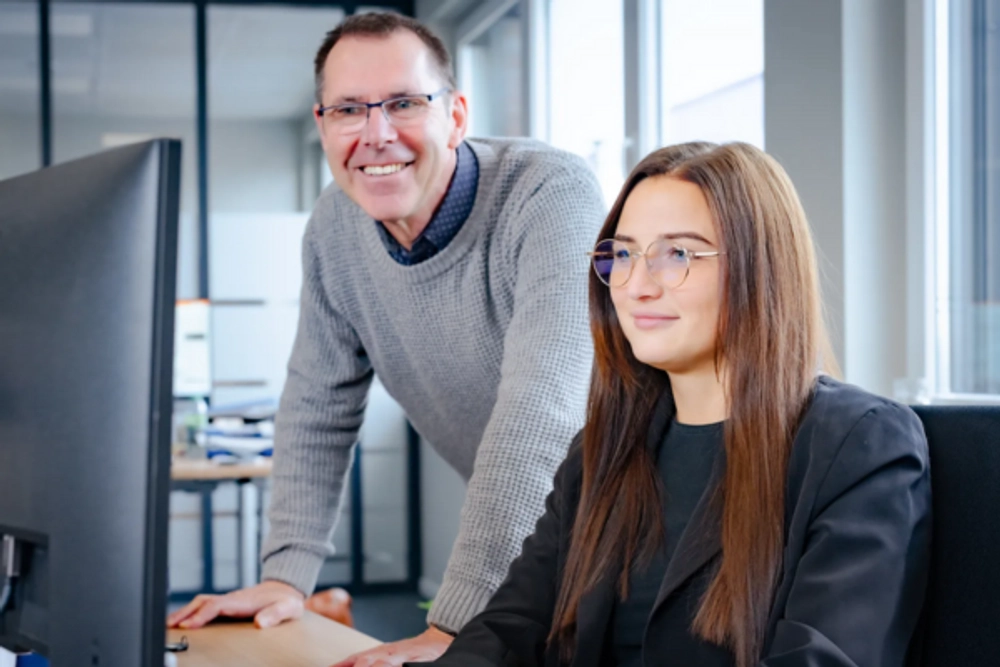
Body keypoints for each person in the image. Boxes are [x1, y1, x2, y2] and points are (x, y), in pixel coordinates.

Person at [166, 11, 606, 666]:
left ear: (455, 115)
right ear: (323, 126)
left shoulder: (549, 192)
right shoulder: (334, 230)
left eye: (403, 103)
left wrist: (455, 626)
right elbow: (317, 408)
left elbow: (539, 416)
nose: (376, 134)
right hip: (548, 538)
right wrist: (285, 575)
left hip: (661, 516)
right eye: (349, 109)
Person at [420, 142, 932, 667]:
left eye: (678, 254)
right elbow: (514, 626)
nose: (635, 285)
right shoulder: (603, 450)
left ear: (761, 271)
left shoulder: (858, 445)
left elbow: (821, 659)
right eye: (623, 253)